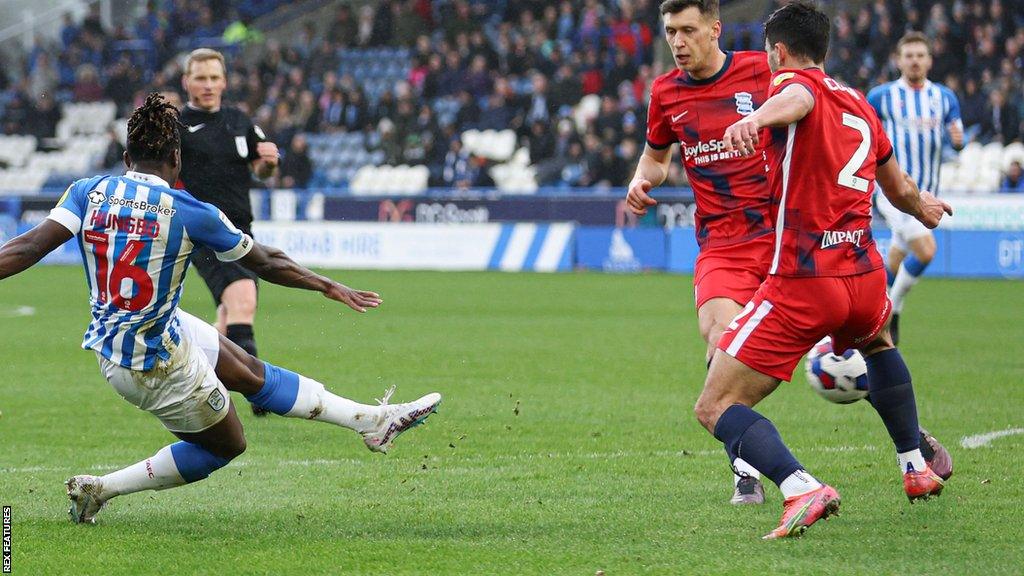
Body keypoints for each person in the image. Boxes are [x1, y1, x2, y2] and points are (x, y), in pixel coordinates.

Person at [0, 94, 442, 524]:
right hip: (151, 363)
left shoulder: (86, 192)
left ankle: (371, 421)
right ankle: (102, 489)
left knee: (248, 370)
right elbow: (266, 262)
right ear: (176, 158)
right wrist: (327, 285)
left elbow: (26, 248)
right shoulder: (190, 211)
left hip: (139, 334)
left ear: (125, 155)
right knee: (227, 445)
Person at [625, 0, 951, 507]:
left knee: (719, 398)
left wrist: (755, 118)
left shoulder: (767, 70)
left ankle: (801, 481)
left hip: (785, 242)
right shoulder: (666, 92)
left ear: (715, 30)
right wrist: (641, 181)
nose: (678, 42)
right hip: (729, 245)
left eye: (688, 30)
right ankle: (752, 468)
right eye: (670, 32)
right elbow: (654, 158)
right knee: (722, 336)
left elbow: (801, 95)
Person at [178, 48, 279, 416]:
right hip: (203, 231)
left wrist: (267, 163)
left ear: (224, 81)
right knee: (242, 301)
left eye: (214, 78)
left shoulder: (239, 120)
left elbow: (261, 171)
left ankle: (186, 373)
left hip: (241, 229)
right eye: (200, 78)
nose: (208, 85)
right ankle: (261, 393)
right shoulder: (177, 126)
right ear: (186, 81)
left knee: (225, 319)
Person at [867, 32, 964, 345]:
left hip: (928, 192)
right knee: (926, 250)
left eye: (920, 55)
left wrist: (958, 142)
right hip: (894, 191)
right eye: (908, 55)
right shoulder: (882, 96)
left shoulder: (945, 98)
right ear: (898, 60)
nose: (914, 60)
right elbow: (865, 133)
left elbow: (955, 138)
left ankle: (875, 308)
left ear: (929, 60)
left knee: (896, 256)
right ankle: (890, 311)